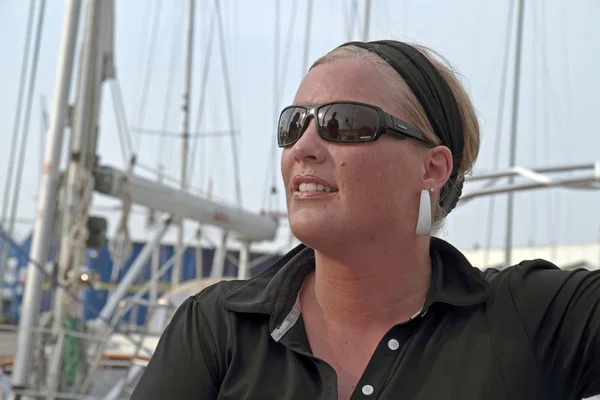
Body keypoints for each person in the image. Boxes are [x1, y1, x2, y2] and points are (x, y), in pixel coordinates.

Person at [131, 40, 600, 400]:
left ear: (432, 169)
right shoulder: (219, 328)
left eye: (343, 124)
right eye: (294, 124)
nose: (303, 148)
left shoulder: (528, 319)